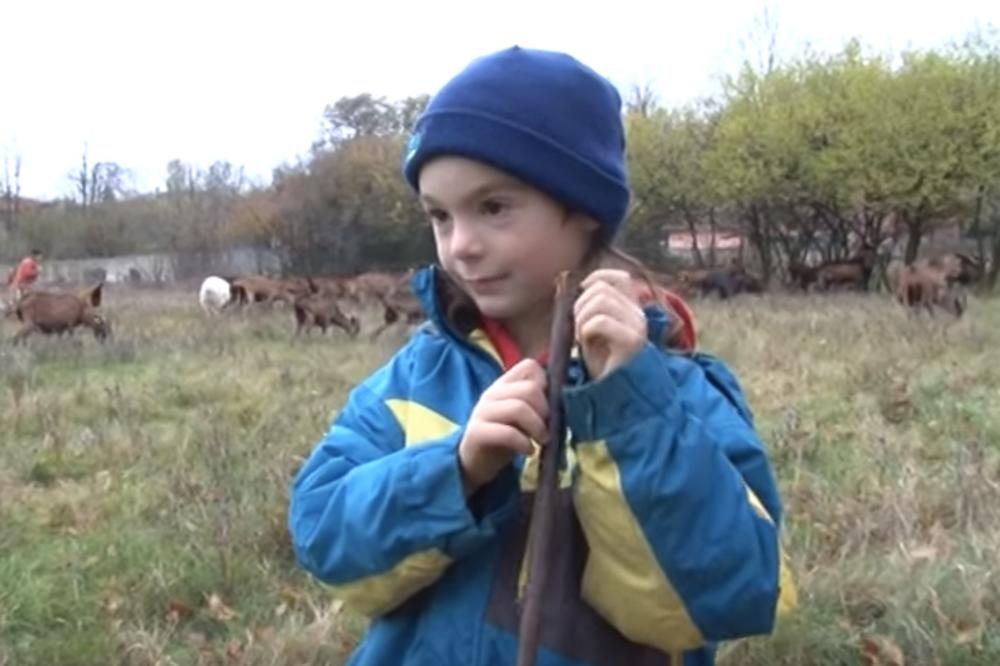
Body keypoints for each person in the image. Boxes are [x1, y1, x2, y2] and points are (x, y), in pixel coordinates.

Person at [288, 46, 795, 666]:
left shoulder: (680, 391)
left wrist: (630, 409)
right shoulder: (415, 380)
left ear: (582, 211)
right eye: (440, 217)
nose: (461, 247)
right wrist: (458, 470)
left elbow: (731, 594)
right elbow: (324, 541)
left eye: (493, 208)